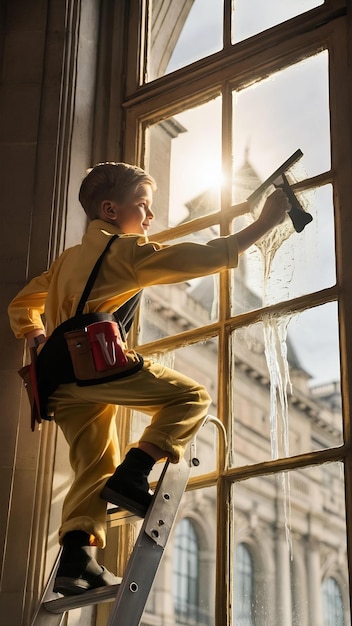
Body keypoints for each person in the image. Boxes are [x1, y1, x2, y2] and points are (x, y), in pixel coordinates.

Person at [8, 162, 290, 596]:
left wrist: (35, 333)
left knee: (93, 465)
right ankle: (136, 473)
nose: (151, 218)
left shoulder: (66, 261)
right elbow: (206, 258)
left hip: (56, 385)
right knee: (192, 396)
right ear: (110, 209)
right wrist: (264, 223)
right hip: (96, 366)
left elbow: (21, 303)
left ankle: (75, 559)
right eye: (143, 206)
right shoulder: (124, 252)